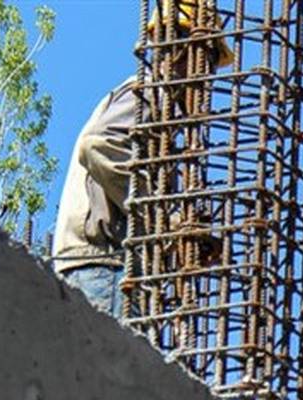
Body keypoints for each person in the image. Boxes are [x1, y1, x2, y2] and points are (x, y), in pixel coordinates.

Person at [51, 0, 231, 315]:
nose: (209, 77)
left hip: (104, 265)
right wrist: (163, 216)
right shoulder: (149, 93)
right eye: (209, 59)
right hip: (103, 264)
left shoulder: (161, 112)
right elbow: (97, 144)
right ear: (182, 49)